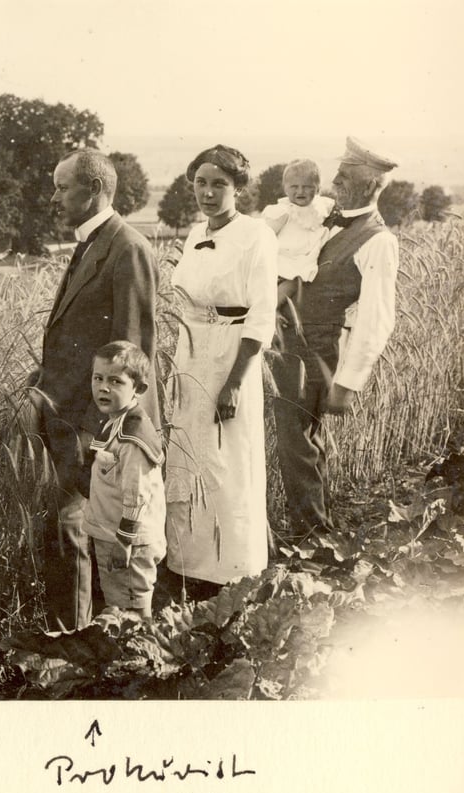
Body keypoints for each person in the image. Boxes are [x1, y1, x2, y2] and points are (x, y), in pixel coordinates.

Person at [31, 148, 160, 631]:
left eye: (63, 187)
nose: (54, 197)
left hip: (94, 430)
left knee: (87, 534)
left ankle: (88, 642)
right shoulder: (91, 242)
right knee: (72, 534)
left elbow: (131, 354)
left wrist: (101, 435)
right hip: (68, 418)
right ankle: (78, 639)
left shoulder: (126, 248)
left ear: (96, 190)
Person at [164, 145, 277, 599]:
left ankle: (231, 570)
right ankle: (187, 561)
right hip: (189, 351)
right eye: (201, 183)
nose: (208, 193)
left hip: (232, 354)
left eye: (219, 185)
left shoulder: (257, 235)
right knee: (187, 452)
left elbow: (261, 315)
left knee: (227, 459)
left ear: (238, 189)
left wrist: (234, 382)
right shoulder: (195, 232)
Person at [273, 137, 399, 536]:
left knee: (297, 444)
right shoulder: (324, 214)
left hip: (314, 350)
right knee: (299, 442)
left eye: (347, 176)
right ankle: (314, 527)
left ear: (372, 186)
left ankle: (310, 537)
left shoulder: (378, 239)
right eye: (339, 173)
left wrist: (346, 384)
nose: (336, 181)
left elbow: (377, 318)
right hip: (282, 341)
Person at [83, 341, 166, 619]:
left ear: (139, 389)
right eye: (98, 378)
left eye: (115, 381)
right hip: (111, 535)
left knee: (132, 610)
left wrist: (124, 541)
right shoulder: (114, 421)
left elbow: (136, 493)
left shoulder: (132, 436)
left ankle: (140, 657)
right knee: (118, 603)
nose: (103, 388)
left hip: (129, 543)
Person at [261, 159, 335, 329]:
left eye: (308, 186)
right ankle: (271, 310)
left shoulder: (321, 207)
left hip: (304, 256)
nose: (300, 191)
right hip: (285, 257)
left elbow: (334, 212)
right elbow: (265, 235)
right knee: (291, 280)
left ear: (318, 188)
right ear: (285, 188)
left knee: (299, 279)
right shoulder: (282, 211)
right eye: (294, 187)